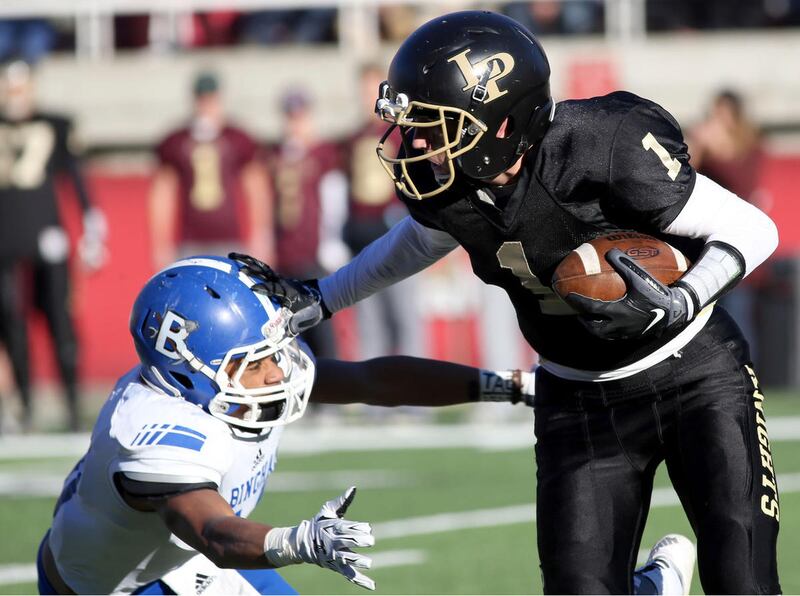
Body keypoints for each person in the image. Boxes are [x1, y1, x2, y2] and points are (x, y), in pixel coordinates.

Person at [295, 11, 780, 594]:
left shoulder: (604, 145)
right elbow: (418, 242)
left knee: (743, 581)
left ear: (502, 123)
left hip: (695, 374)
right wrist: (323, 298)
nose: (417, 142)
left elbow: (754, 229)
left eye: (436, 124)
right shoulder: (450, 188)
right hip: (577, 397)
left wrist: (680, 300)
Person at [37, 253, 691, 595]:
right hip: (128, 585)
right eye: (257, 362)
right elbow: (211, 530)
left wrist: (518, 386)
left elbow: (371, 379)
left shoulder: (217, 386)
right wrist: (300, 541)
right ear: (194, 370)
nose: (279, 371)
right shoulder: (154, 434)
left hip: (164, 561)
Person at [0, 60, 107, 432]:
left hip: (48, 234)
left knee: (60, 319)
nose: (15, 96)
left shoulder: (55, 124)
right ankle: (25, 403)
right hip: (6, 238)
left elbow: (76, 179)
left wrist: (93, 224)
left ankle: (72, 403)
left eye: (20, 87)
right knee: (11, 321)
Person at [149, 71, 271, 270]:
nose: (206, 106)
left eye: (210, 99)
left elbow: (256, 187)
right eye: (202, 99)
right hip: (190, 240)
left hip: (230, 238)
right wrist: (161, 243)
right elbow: (163, 193)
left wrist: (261, 235)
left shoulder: (236, 138)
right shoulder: (178, 140)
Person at [342, 64, 424, 361]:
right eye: (364, 90)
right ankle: (374, 397)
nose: (368, 97)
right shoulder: (352, 137)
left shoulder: (404, 132)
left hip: (397, 233)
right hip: (362, 234)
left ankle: (416, 393)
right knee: (370, 318)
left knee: (404, 315)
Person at [266, 89, 348, 360]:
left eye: (300, 117)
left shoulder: (323, 152)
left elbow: (334, 197)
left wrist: (331, 240)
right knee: (289, 330)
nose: (295, 124)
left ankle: (331, 391)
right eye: (291, 117)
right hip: (286, 252)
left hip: (314, 250)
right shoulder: (277, 154)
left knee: (320, 324)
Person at [687, 89, 765, 363]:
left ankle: (745, 372)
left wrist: (717, 148)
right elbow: (685, 179)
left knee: (739, 315)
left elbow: (744, 186)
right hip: (704, 245)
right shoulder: (705, 145)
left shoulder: (748, 146)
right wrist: (698, 146)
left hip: (736, 243)